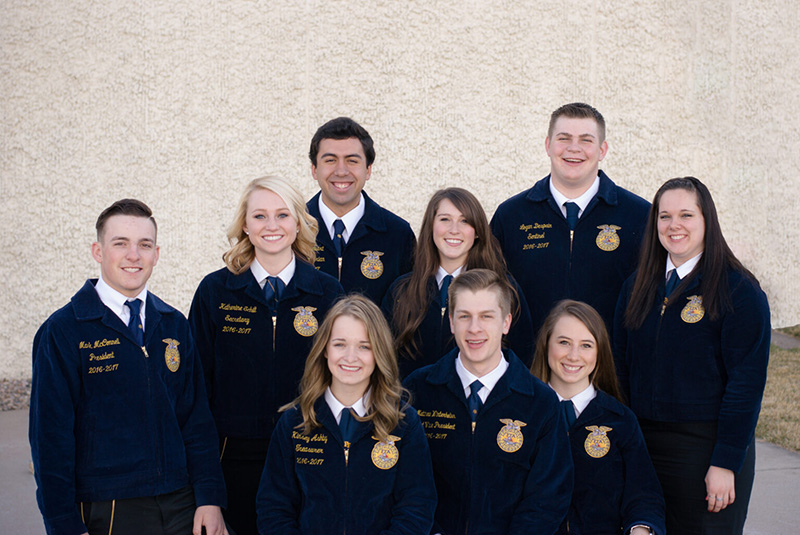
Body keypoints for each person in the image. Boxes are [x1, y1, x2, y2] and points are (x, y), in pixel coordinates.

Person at [30, 199, 227, 535]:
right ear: (98, 251)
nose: (133, 255)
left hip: (181, 501)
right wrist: (63, 524)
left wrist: (209, 498)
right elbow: (50, 440)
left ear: (156, 254)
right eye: (120, 243)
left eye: (144, 245)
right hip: (109, 507)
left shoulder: (173, 325)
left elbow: (197, 419)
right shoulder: (64, 331)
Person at [614, 177, 770, 534]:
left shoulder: (738, 291)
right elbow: (620, 366)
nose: (674, 226)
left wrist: (726, 463)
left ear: (706, 221)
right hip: (645, 446)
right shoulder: (637, 285)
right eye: (665, 216)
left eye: (686, 214)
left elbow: (745, 386)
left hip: (705, 450)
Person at [189, 176, 344, 535]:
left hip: (309, 456)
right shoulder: (215, 292)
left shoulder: (327, 292)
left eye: (282, 215)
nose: (271, 226)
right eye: (259, 216)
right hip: (233, 462)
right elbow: (195, 394)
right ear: (244, 224)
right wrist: (207, 492)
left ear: (298, 223)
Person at [404, 269, 572, 534]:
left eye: (486, 317)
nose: (474, 329)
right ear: (451, 321)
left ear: (505, 323)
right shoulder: (418, 390)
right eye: (464, 317)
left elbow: (547, 497)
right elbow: (405, 483)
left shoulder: (540, 402)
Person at [256, 295, 437, 534]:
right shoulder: (295, 423)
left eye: (364, 346)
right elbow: (274, 508)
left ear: (378, 353)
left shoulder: (404, 423)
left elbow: (416, 508)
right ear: (324, 350)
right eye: (340, 344)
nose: (350, 357)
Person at [491, 102, 650, 336]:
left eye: (586, 140)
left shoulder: (639, 215)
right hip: (529, 367)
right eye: (564, 138)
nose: (574, 148)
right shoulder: (511, 215)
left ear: (602, 150)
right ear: (548, 145)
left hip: (609, 368)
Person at [531, 300, 665, 535]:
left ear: (600, 352)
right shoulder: (522, 414)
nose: (574, 356)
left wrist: (641, 529)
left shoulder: (620, 421)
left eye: (586, 345)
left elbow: (643, 494)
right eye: (564, 342)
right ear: (546, 344)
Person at [382, 187, 534, 377]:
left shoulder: (504, 289)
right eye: (445, 219)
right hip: (412, 404)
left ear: (477, 231)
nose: (454, 230)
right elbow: (384, 358)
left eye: (465, 221)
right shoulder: (401, 291)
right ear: (431, 226)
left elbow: (523, 356)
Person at [306, 116, 416, 305]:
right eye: (330, 160)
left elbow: (409, 310)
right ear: (315, 170)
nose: (341, 171)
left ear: (368, 170)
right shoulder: (292, 228)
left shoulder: (398, 234)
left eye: (352, 161)